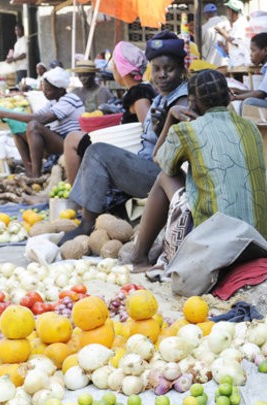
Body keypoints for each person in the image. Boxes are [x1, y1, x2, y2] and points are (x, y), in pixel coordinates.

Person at [127, 69, 267, 271]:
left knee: (165, 176)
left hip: (218, 241)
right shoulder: (250, 127)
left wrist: (170, 118)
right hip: (261, 239)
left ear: (192, 101)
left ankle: (138, 257)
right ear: (228, 95)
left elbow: (159, 159)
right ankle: (152, 250)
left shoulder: (187, 130)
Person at [60, 30, 188, 244]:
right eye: (156, 69)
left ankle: (86, 224)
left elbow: (178, 150)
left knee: (97, 151)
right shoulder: (162, 98)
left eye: (169, 69)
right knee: (99, 153)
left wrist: (162, 127)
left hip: (164, 176)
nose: (162, 75)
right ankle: (95, 217)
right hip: (151, 166)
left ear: (181, 70)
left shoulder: (181, 101)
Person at [63, 42, 157, 184]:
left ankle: (75, 198)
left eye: (114, 66)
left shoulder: (139, 93)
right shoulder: (139, 90)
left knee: (72, 139)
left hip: (131, 153)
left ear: (120, 69)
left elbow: (148, 129)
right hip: (127, 149)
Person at [0, 67, 84, 177]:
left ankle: (35, 174)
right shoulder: (52, 102)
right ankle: (29, 170)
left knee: (34, 126)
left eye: (48, 89)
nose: (44, 92)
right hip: (57, 139)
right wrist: (10, 116)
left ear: (60, 90)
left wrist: (4, 114)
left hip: (69, 142)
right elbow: (35, 116)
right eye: (44, 88)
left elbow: (42, 119)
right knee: (17, 128)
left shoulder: (70, 99)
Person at [215, 0, 249, 67]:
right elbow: (229, 49)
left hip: (241, 64)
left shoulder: (241, 24)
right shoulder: (234, 25)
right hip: (235, 63)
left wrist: (224, 34)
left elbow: (238, 42)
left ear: (231, 11)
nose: (227, 12)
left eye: (228, 10)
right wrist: (222, 44)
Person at [201, 3, 229, 67]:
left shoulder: (204, 27)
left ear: (206, 14)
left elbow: (200, 43)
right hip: (225, 61)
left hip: (210, 63)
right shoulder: (226, 23)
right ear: (215, 12)